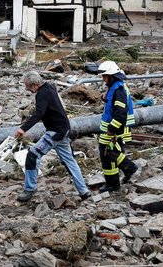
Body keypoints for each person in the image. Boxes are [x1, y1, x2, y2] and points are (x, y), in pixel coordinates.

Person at [15, 71, 91, 202]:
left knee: (32, 155)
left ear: (35, 84)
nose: (27, 89)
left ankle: (30, 189)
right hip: (64, 129)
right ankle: (84, 191)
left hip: (55, 132)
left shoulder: (42, 94)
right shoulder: (50, 87)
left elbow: (39, 113)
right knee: (70, 161)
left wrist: (23, 128)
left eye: (28, 86)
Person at [97, 61, 138, 192]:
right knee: (110, 153)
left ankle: (117, 179)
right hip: (112, 127)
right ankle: (122, 175)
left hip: (114, 128)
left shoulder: (118, 90)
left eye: (105, 76)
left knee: (108, 153)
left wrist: (111, 129)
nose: (103, 78)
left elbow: (120, 114)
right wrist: (104, 97)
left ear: (112, 76)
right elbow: (113, 103)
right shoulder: (115, 87)